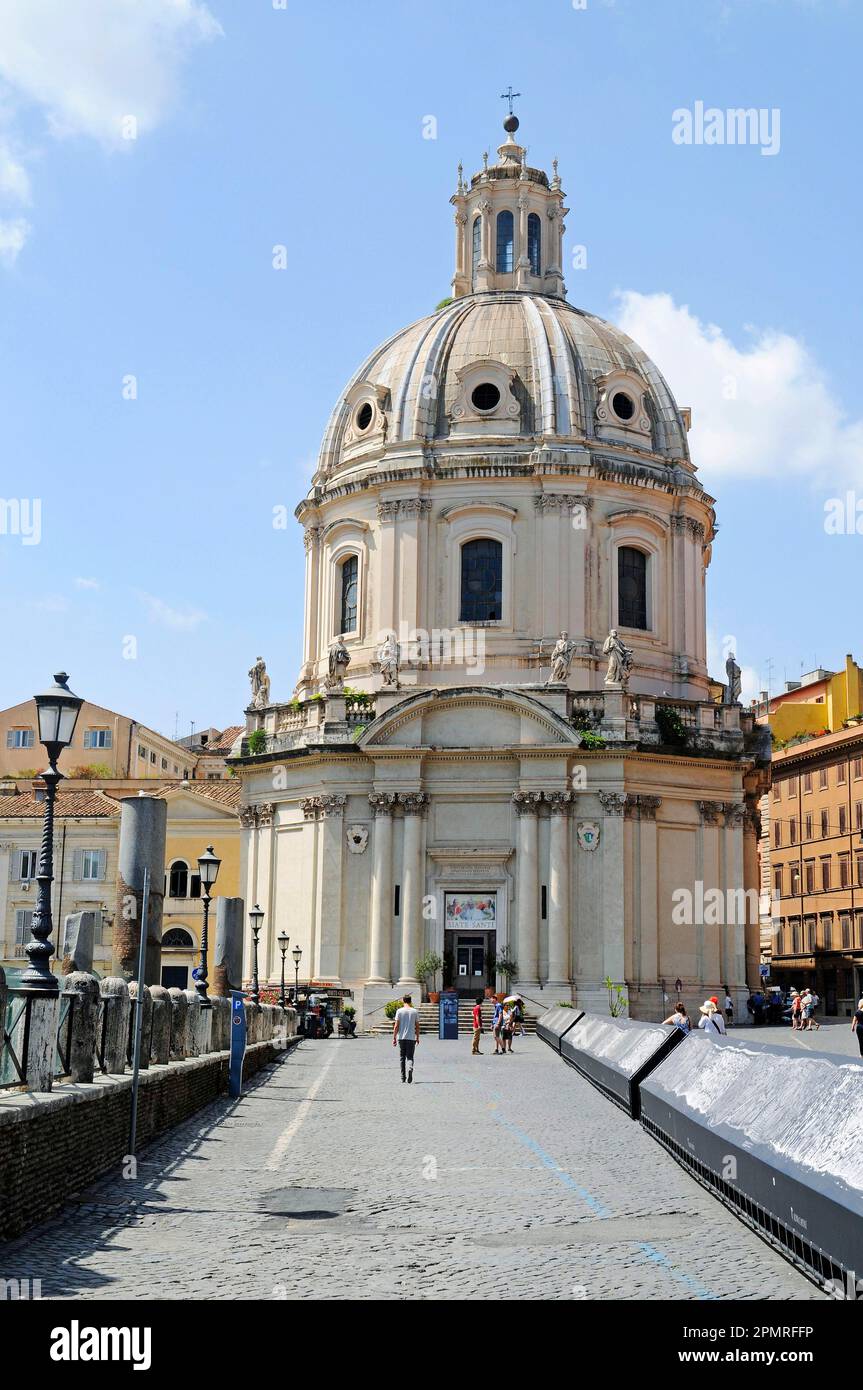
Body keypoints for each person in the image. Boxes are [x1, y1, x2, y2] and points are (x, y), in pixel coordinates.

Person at [392, 993, 420, 1083]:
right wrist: (418, 1037)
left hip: (401, 1038)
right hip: (411, 1037)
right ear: (410, 1001)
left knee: (402, 1057)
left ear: (403, 1001)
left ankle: (403, 1077)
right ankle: (410, 1068)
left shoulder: (399, 1011)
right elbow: (417, 1026)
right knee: (410, 1057)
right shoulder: (414, 1011)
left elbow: (396, 1026)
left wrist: (394, 1037)